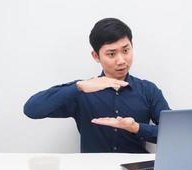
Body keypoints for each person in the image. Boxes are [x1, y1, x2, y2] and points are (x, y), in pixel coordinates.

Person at [24, 18, 170, 153]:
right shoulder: (82, 91)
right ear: (96, 56)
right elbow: (32, 109)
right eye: (111, 54)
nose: (121, 60)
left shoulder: (148, 90)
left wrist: (136, 128)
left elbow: (173, 134)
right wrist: (78, 87)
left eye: (126, 50)